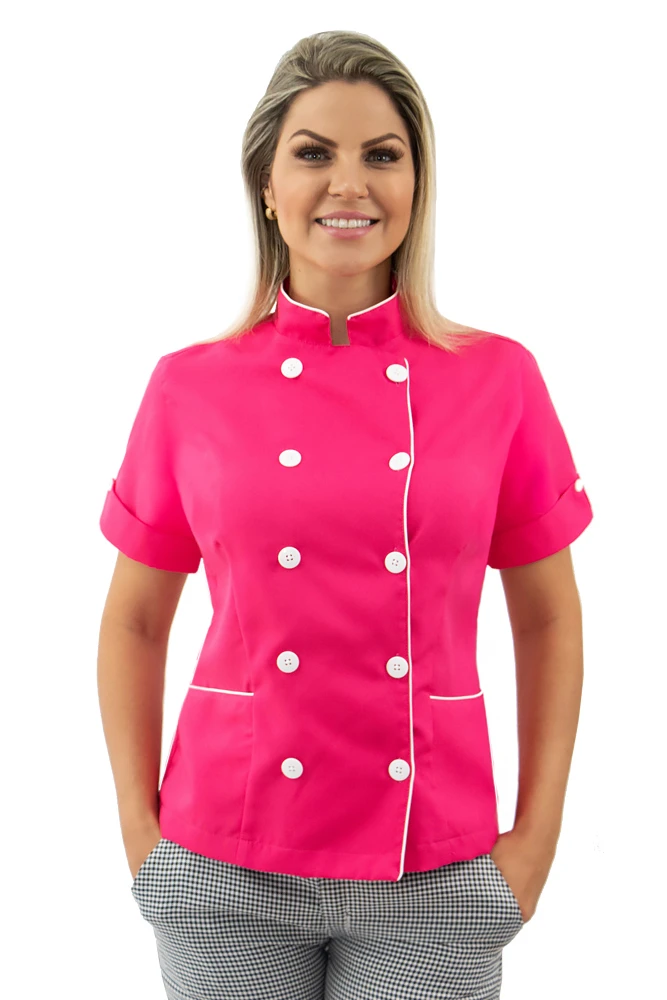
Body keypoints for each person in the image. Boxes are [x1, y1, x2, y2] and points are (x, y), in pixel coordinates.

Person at [97, 28, 594, 1000]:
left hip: (435, 864)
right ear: (267, 185)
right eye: (313, 152)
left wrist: (533, 844)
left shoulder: (497, 379)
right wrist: (141, 837)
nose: (349, 184)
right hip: (221, 859)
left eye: (383, 154)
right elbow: (134, 621)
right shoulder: (188, 387)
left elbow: (546, 617)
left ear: (417, 183)